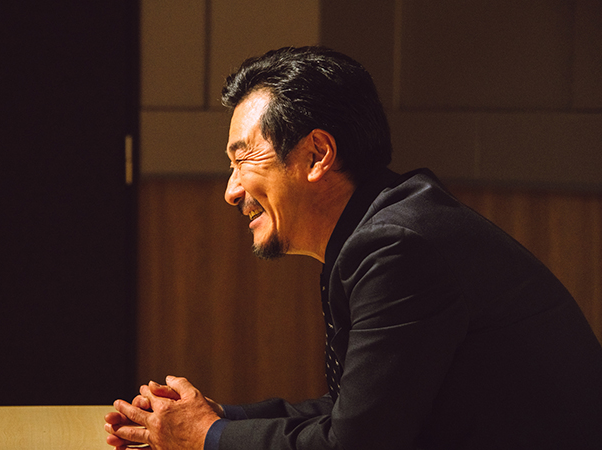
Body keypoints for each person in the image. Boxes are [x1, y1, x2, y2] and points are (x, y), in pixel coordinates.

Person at [104, 46, 602, 449]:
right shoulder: (385, 228)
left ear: (318, 154)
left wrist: (207, 437)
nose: (231, 190)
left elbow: (355, 443)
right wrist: (214, 419)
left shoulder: (398, 246)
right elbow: (359, 414)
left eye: (243, 159)